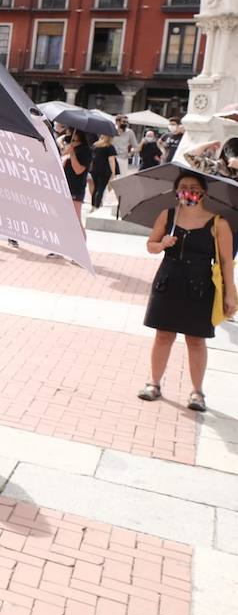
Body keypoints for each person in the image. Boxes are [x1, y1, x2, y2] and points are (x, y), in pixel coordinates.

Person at [138, 172, 236, 413]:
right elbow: (150, 245)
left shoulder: (218, 223)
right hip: (168, 281)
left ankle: (197, 391)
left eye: (193, 187)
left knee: (196, 339)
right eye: (183, 187)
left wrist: (230, 294)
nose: (188, 191)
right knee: (163, 335)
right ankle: (154, 383)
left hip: (200, 286)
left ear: (204, 192)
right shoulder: (167, 216)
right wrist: (162, 244)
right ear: (176, 191)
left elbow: (225, 262)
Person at [61, 129, 91, 224]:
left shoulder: (85, 150)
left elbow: (78, 170)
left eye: (70, 132)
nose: (68, 135)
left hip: (76, 189)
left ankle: (81, 238)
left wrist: (72, 154)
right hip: (65, 187)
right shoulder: (70, 147)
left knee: (76, 220)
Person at [88, 133, 119, 210]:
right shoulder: (110, 147)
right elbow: (111, 160)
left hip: (94, 169)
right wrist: (114, 173)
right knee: (101, 189)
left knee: (95, 188)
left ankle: (92, 206)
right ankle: (97, 206)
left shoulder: (95, 145)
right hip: (105, 170)